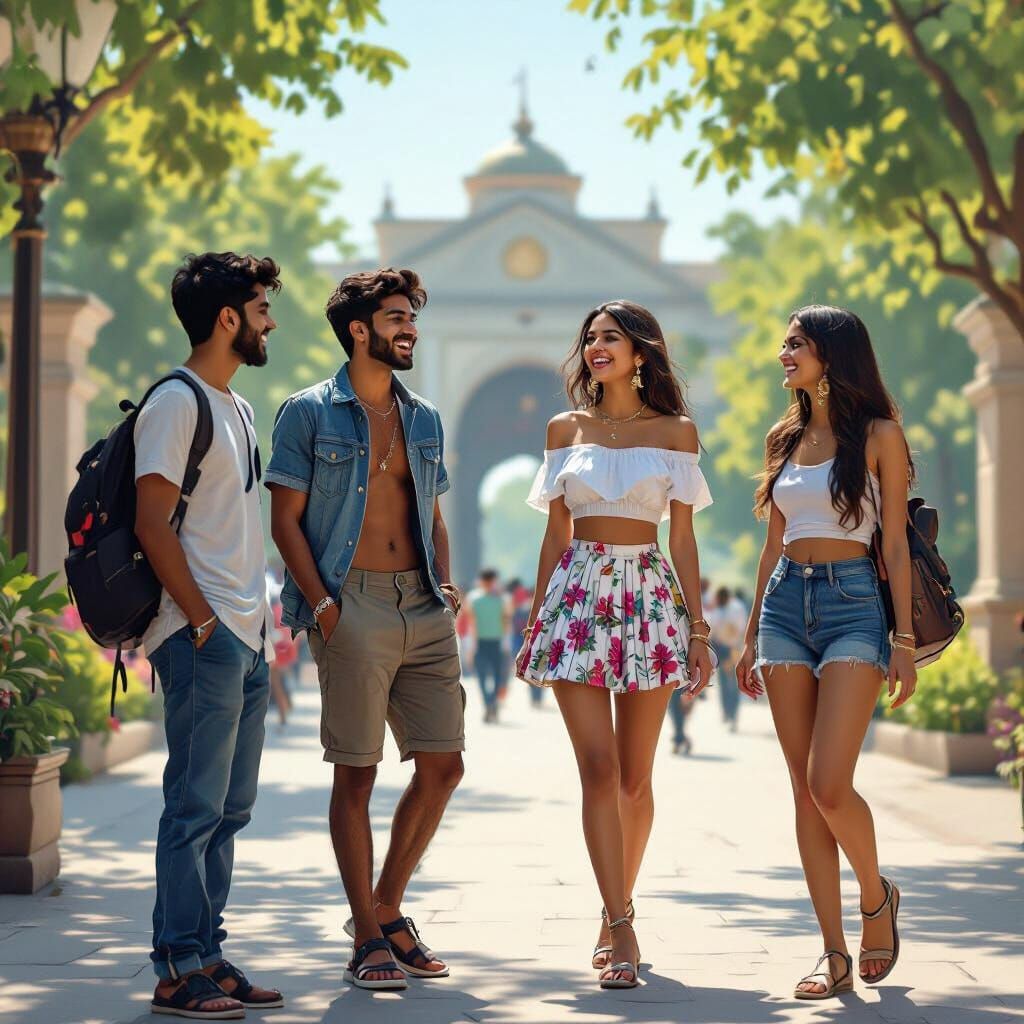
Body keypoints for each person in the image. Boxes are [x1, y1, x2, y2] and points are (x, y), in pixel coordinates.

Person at [265, 268, 464, 991]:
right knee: (358, 771)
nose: (409, 328)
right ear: (359, 329)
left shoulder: (425, 418)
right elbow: (284, 520)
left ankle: (382, 909)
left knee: (444, 765)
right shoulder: (308, 413)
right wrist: (322, 605)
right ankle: (369, 939)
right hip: (351, 602)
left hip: (423, 604)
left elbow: (433, 511)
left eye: (412, 316)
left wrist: (444, 583)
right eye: (395, 318)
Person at [516, 300, 715, 990]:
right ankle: (621, 920)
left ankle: (613, 909)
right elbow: (554, 536)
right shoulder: (564, 429)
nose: (597, 346)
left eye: (612, 337)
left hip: (652, 600)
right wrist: (537, 620)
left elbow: (683, 540)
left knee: (636, 779)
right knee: (598, 773)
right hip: (578, 600)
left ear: (641, 353)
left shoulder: (677, 432)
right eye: (591, 338)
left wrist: (698, 629)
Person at [736, 304, 917, 1000]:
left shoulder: (878, 435)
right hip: (786, 607)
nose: (785, 355)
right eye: (785, 344)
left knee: (827, 783)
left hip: (854, 609)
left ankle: (876, 899)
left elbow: (893, 543)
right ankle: (833, 954)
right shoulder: (782, 438)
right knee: (803, 795)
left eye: (796, 345)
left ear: (832, 356)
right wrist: (752, 632)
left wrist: (901, 638)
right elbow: (772, 545)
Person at [135, 252, 284, 1019]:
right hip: (202, 634)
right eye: (261, 308)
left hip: (245, 634)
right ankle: (176, 966)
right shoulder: (176, 401)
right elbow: (151, 523)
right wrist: (200, 620)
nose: (270, 322)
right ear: (228, 317)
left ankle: (209, 951)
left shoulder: (239, 407)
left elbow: (235, 529)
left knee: (229, 808)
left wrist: (261, 631)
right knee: (192, 806)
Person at [464, 568, 510, 723]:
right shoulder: (499, 599)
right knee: (490, 676)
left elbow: (474, 625)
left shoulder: (476, 599)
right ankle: (491, 703)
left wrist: (471, 647)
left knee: (488, 676)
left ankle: (489, 703)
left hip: (488, 642)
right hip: (489, 642)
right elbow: (505, 622)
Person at [707, 586, 742, 731]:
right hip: (721, 650)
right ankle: (727, 712)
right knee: (724, 682)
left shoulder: (735, 610)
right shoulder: (717, 612)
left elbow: (739, 630)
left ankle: (732, 714)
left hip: (731, 650)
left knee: (732, 683)